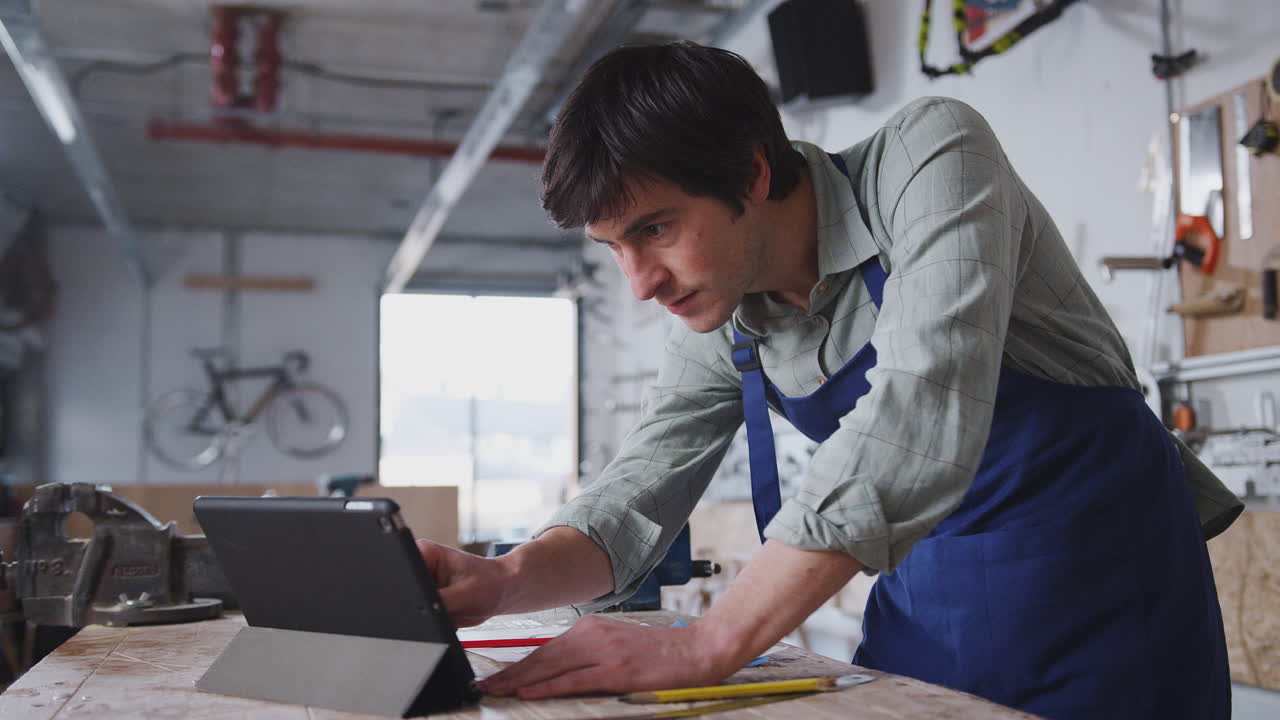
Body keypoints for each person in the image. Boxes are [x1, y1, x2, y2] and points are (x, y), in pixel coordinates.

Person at [416, 42, 1241, 719]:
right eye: (614, 249)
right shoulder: (729, 310)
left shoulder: (931, 157)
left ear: (751, 176)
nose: (641, 283)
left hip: (1110, 607)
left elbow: (919, 415)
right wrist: (507, 580)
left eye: (656, 229)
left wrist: (706, 644)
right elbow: (637, 495)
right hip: (930, 618)